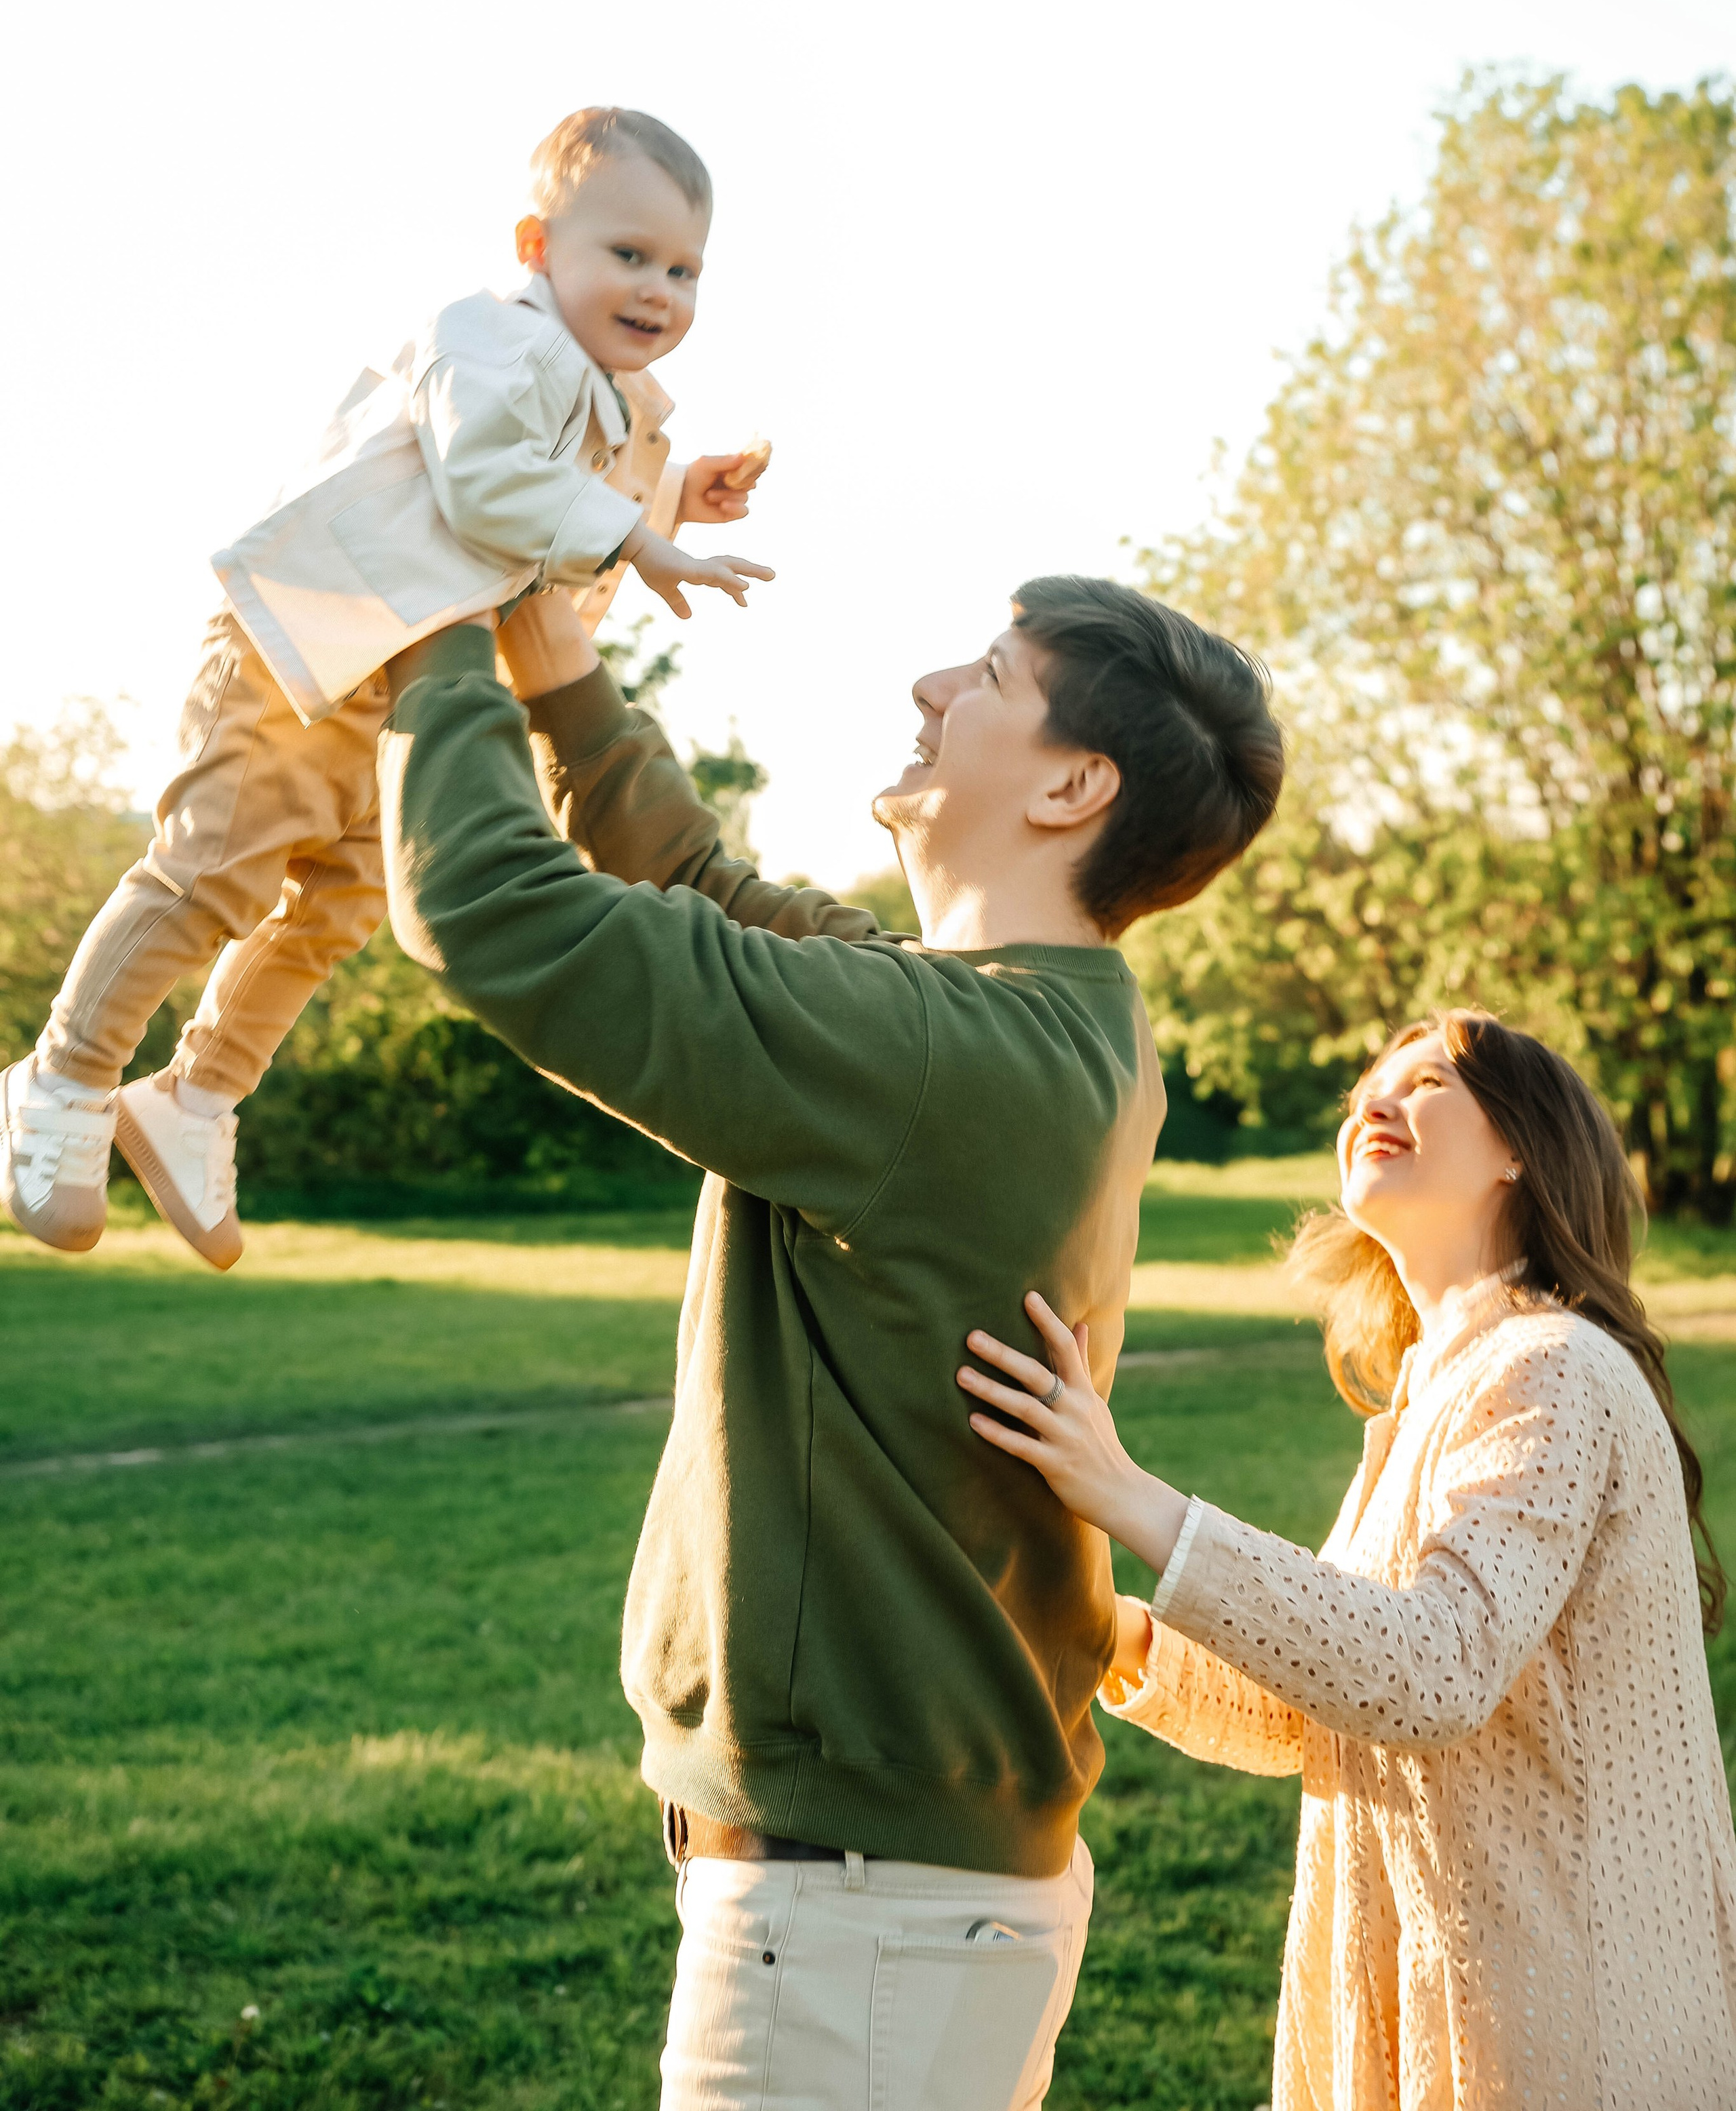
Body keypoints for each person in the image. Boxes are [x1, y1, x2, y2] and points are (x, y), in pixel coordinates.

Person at [376, 572, 1284, 2111]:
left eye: (988, 676)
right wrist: (554, 655)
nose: (932, 689)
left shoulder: (936, 1052)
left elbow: (490, 912)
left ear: (1072, 787)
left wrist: (432, 614)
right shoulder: (1055, 1021)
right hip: (900, 1902)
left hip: (862, 1922)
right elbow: (708, 888)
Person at [0, 105, 770, 1269]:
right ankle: (65, 1076)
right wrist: (638, 536)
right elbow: (486, 477)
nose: (658, 289)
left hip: (398, 676)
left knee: (345, 900)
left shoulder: (604, 393)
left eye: (684, 269)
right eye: (629, 254)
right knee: (213, 870)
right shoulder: (492, 334)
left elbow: (548, 504)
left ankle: (198, 1094)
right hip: (300, 639)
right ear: (536, 245)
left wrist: (668, 501)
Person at [960, 1008, 1736, 2111]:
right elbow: (1317, 1705)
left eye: (1427, 1082)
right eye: (1367, 1086)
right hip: (1441, 1998)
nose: (1375, 1099)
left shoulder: (1553, 1367)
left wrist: (1129, 1494)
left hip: (1570, 2029)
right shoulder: (1438, 1393)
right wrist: (1111, 1635)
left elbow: (1437, 1668)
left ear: (1521, 1147)